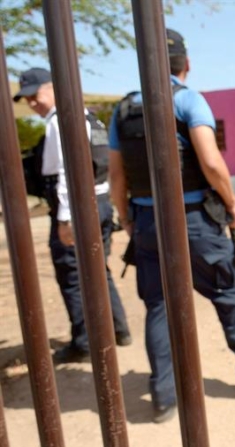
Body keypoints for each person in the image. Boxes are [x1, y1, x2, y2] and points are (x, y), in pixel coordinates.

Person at [107, 29, 235, 424]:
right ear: (186, 64)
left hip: (147, 222)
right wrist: (232, 205)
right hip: (194, 219)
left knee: (159, 307)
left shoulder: (124, 110)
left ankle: (164, 396)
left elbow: (116, 177)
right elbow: (212, 163)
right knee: (227, 293)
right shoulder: (186, 99)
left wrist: (128, 217)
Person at [14, 68, 132, 364]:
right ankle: (118, 329)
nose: (32, 103)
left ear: (52, 88)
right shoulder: (89, 117)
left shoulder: (60, 121)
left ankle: (84, 342)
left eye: (35, 95)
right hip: (100, 201)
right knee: (97, 269)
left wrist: (66, 219)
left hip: (78, 208)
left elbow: (67, 171)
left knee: (72, 275)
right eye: (26, 98)